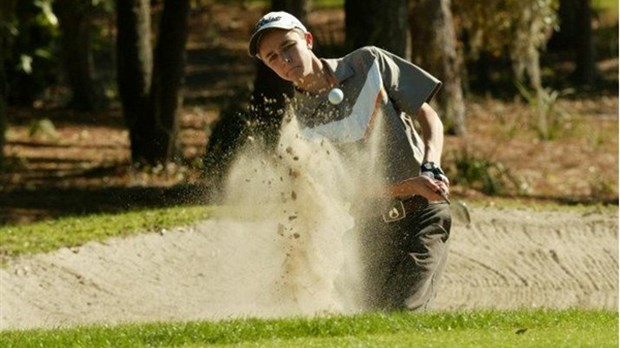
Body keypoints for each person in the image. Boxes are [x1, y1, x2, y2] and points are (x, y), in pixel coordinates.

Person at [248, 11, 452, 312]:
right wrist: (410, 185)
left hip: (424, 216)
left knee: (405, 312)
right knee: (361, 319)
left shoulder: (369, 63)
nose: (285, 60)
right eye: (273, 58)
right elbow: (344, 191)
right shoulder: (299, 127)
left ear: (308, 39)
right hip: (370, 231)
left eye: (288, 47)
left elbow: (428, 115)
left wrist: (431, 163)